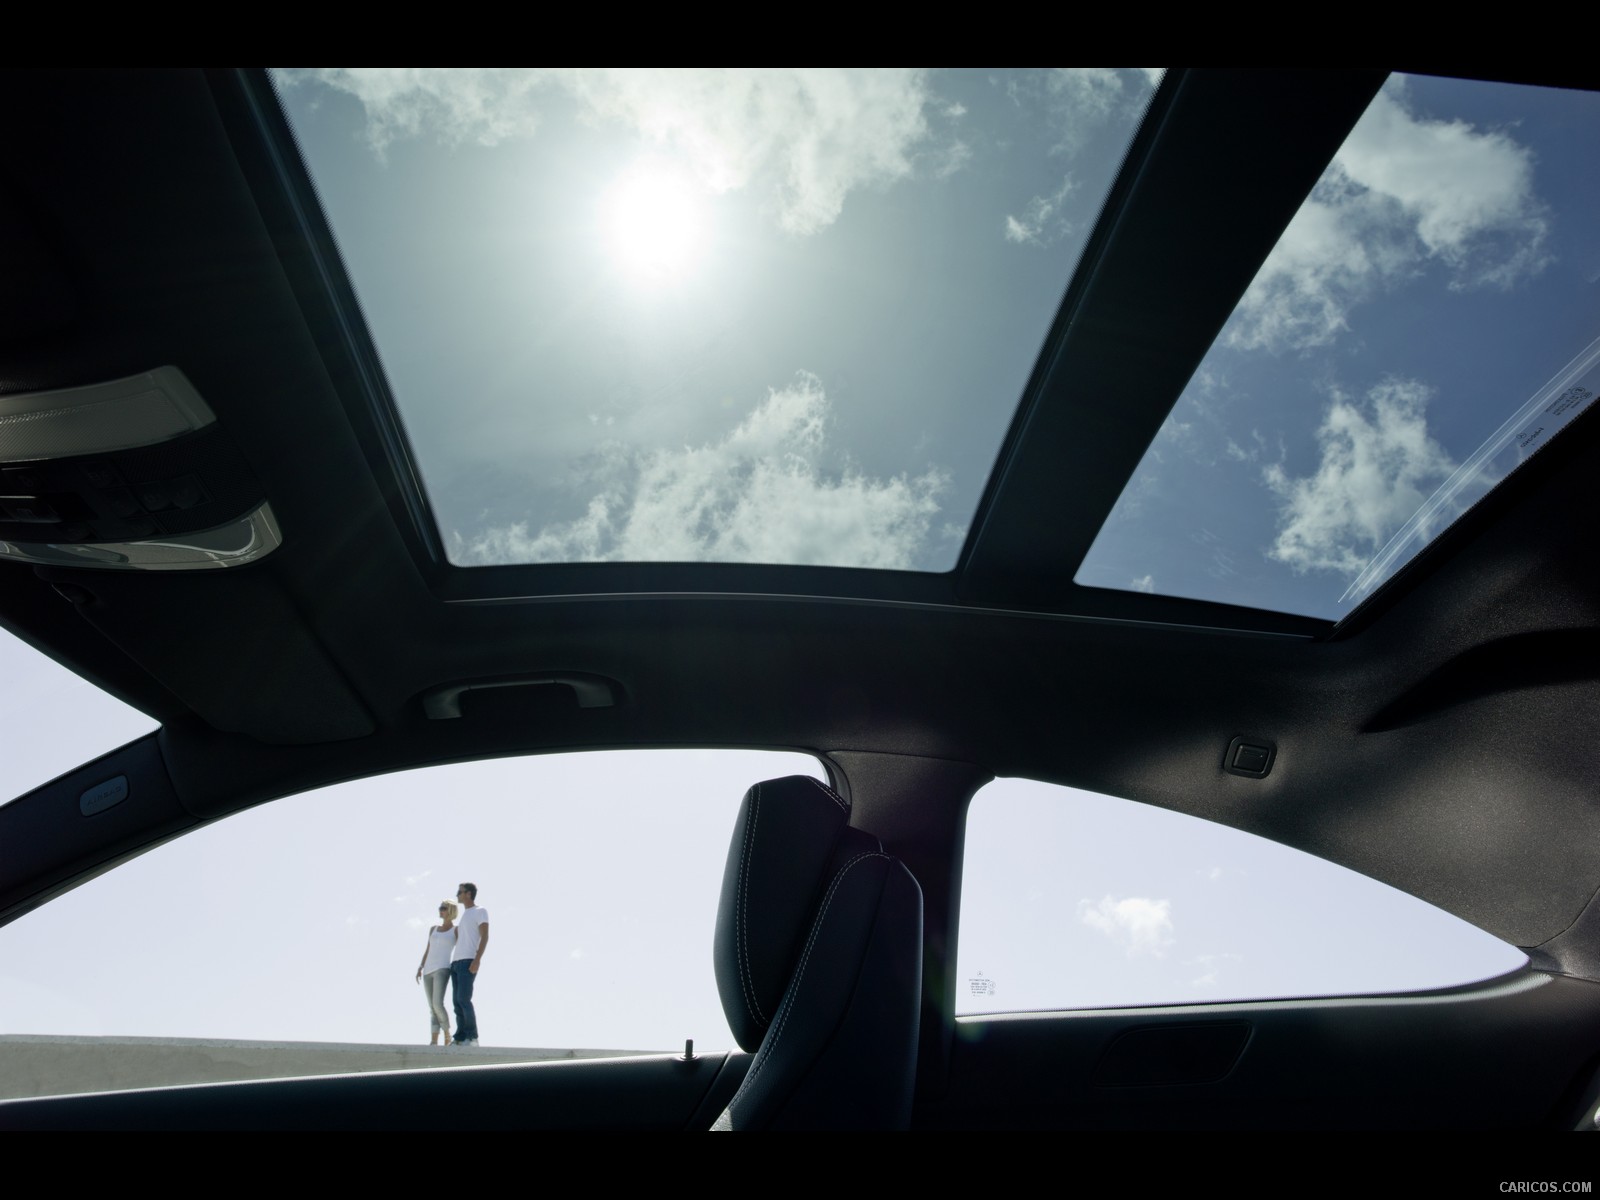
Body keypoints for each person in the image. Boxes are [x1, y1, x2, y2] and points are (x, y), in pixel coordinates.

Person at [450, 882, 489, 1046]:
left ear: (468, 894)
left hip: (468, 961)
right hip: (456, 962)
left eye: (459, 892)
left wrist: (477, 959)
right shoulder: (465, 915)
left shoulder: (480, 911)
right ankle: (460, 1037)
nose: (457, 895)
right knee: (456, 1002)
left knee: (464, 999)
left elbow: (485, 936)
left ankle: (472, 1037)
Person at [415, 900, 458, 1046]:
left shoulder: (456, 930)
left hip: (442, 968)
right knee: (431, 1007)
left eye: (443, 908)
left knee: (437, 1004)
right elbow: (428, 949)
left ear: (450, 910)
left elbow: (463, 947)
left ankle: (447, 1034)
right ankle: (434, 1040)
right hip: (428, 969)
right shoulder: (433, 929)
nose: (440, 910)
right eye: (440, 908)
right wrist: (421, 966)